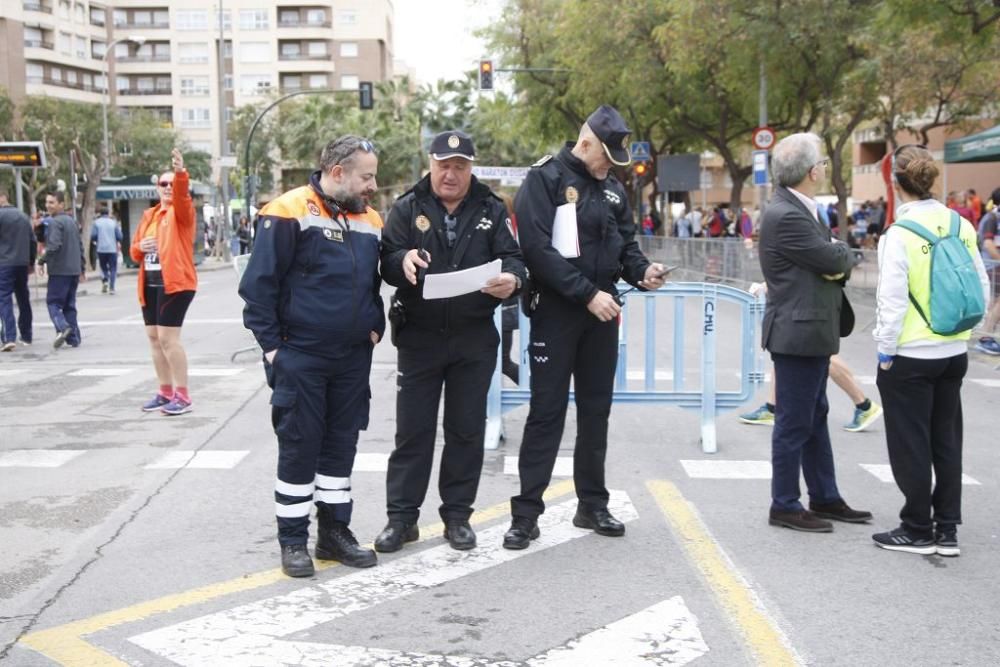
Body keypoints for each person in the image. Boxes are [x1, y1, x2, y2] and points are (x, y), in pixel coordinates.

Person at [503, 105, 667, 550]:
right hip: (560, 312)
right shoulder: (545, 179)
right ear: (587, 142)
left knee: (596, 412)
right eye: (605, 157)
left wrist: (642, 272)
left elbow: (626, 246)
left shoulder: (612, 189)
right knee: (546, 413)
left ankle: (592, 504)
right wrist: (586, 294)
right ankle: (526, 515)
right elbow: (537, 250)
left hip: (602, 314)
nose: (609, 167)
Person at [239, 135, 384, 577]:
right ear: (338, 173)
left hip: (352, 357)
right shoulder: (286, 211)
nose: (372, 186)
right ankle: (293, 541)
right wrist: (274, 351)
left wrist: (375, 325)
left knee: (341, 447)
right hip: (300, 356)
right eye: (366, 176)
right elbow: (258, 288)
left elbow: (373, 281)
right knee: (300, 448)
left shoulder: (371, 219)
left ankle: (334, 535)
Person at [375, 130, 526, 554]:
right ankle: (401, 519)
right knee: (413, 433)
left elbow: (515, 259)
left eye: (460, 166)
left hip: (473, 338)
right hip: (420, 337)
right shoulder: (407, 207)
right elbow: (385, 260)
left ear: (471, 168)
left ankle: (457, 517)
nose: (451, 174)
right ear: (431, 163)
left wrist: (512, 280)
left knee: (464, 431)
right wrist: (400, 260)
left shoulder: (492, 210)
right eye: (444, 165)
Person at [871, 144, 989, 556]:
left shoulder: (899, 235)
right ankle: (948, 528)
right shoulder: (960, 224)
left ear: (895, 182)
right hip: (952, 351)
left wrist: (885, 353)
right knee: (946, 439)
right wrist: (964, 337)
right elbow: (981, 286)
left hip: (911, 354)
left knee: (910, 442)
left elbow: (891, 303)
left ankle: (917, 527)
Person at [758, 132, 870, 534]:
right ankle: (784, 503)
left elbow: (832, 259)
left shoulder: (798, 208)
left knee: (814, 416)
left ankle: (825, 496)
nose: (824, 168)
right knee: (793, 421)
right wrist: (840, 253)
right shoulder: (787, 214)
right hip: (797, 332)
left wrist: (835, 255)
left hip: (806, 331)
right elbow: (835, 257)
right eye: (822, 163)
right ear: (811, 171)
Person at [740, 282, 882, 432]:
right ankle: (772, 407)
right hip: (806, 304)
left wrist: (767, 285)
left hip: (811, 305)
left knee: (822, 357)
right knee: (784, 351)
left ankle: (863, 404)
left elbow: (798, 268)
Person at [130, 148, 198, 416]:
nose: (169, 187)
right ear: (157, 188)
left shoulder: (182, 212)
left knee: (169, 339)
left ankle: (183, 395)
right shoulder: (149, 216)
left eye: (172, 183)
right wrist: (141, 247)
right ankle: (165, 391)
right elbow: (134, 251)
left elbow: (181, 196)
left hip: (177, 283)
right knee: (154, 339)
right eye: (164, 183)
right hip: (150, 283)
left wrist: (181, 171)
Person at [38, 191, 84, 349]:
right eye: (47, 202)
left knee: (53, 303)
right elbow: (80, 246)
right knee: (69, 305)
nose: (48, 205)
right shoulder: (72, 221)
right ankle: (74, 338)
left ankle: (63, 328)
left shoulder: (54, 223)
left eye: (52, 202)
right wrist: (82, 268)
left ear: (61, 204)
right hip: (73, 270)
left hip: (60, 270)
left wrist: (41, 260)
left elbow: (54, 246)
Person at [0, 188, 35, 351]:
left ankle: (9, 337)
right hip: (22, 263)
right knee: (23, 298)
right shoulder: (23, 216)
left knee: (4, 298)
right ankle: (26, 335)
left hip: (4, 263)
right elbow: (32, 240)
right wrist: (31, 262)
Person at [973, 187, 1000, 355]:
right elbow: (988, 244)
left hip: (994, 265)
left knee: (994, 303)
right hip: (993, 266)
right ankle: (985, 337)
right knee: (996, 303)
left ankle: (986, 335)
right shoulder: (992, 217)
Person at [91, 205, 122, 294]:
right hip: (112, 249)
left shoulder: (96, 223)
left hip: (101, 249)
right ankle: (112, 287)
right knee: (113, 268)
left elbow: (93, 235)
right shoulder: (113, 223)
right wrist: (117, 240)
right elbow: (119, 236)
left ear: (100, 214)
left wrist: (96, 240)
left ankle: (105, 280)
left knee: (103, 266)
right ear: (108, 213)